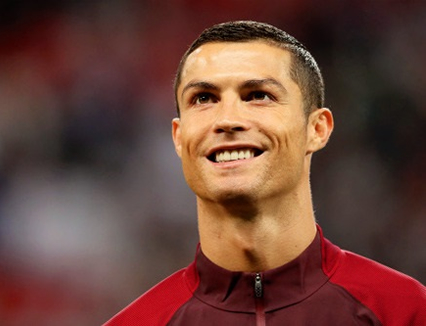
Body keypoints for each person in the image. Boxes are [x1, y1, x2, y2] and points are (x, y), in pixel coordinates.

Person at [104, 21, 425, 325]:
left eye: (258, 95)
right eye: (204, 98)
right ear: (178, 136)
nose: (227, 119)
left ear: (317, 129)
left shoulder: (405, 311)